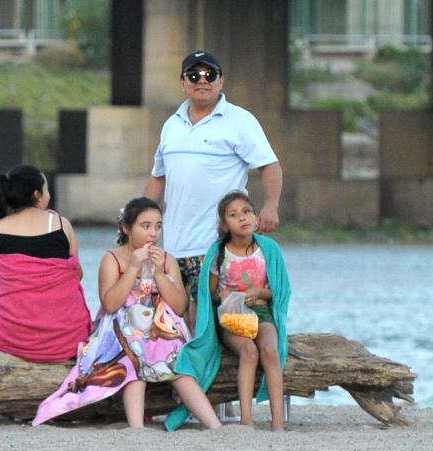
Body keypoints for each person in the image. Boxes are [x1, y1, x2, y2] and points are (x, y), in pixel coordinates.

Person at [32, 197, 221, 430]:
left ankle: (214, 426)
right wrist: (133, 267)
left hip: (161, 326)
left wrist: (159, 273)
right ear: (126, 228)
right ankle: (136, 428)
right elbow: (110, 303)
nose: (153, 233)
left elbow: (180, 306)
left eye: (158, 226)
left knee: (177, 361)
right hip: (122, 326)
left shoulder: (167, 259)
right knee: (134, 358)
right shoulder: (112, 259)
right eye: (145, 226)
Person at [142, 49, 283, 332]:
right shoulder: (172, 125)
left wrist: (270, 207)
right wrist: (136, 222)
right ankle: (179, 374)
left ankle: (216, 374)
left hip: (216, 247)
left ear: (221, 81)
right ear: (183, 82)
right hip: (173, 247)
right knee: (167, 321)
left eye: (210, 75)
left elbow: (270, 166)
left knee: (210, 322)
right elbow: (158, 178)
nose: (202, 81)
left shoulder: (240, 121)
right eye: (194, 75)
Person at [0, 164, 91, 363]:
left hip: (10, 340)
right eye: (47, 189)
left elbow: (1, 284)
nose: (48, 195)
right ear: (36, 194)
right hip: (65, 339)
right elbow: (77, 275)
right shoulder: (60, 224)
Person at [204, 191, 292, 430]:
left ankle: (277, 424)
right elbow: (208, 294)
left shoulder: (268, 249)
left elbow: (280, 290)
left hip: (262, 314)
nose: (242, 218)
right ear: (224, 223)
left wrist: (261, 293)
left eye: (247, 212)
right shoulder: (218, 253)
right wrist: (222, 295)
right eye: (233, 215)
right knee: (249, 352)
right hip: (233, 318)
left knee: (270, 351)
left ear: (255, 216)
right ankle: (246, 420)